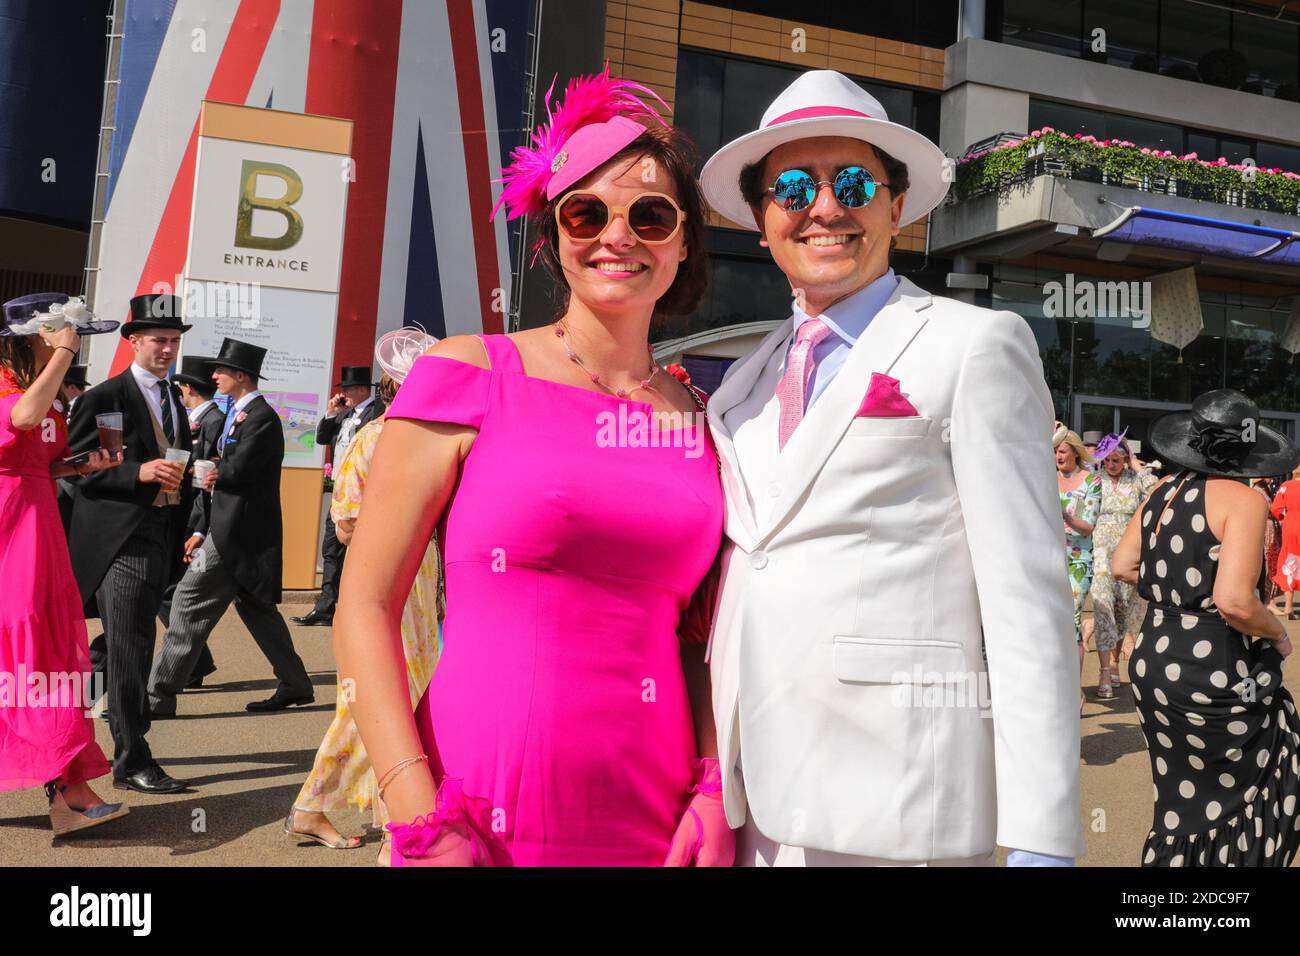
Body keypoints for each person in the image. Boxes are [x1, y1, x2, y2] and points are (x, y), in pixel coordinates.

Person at [336, 69, 731, 866]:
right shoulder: (467, 373)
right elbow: (365, 607)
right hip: (474, 807)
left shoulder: (704, 419)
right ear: (554, 235)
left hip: (656, 816)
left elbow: (702, 639)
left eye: (650, 215)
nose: (617, 237)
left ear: (682, 241)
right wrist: (415, 810)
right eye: (587, 212)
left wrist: (720, 788)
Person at [696, 69, 1081, 866]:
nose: (825, 209)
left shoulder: (975, 345)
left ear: (897, 207)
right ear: (764, 220)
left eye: (855, 184)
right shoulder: (742, 385)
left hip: (908, 804)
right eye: (794, 187)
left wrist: (1043, 833)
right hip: (759, 804)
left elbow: (1026, 597)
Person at [1112, 388, 1300, 866]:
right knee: (1275, 760)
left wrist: (1174, 592)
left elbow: (1123, 564)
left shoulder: (1162, 490)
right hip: (1212, 664)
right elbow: (1235, 600)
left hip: (1156, 661)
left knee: (1180, 796)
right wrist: (1278, 635)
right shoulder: (1243, 499)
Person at [287, 335, 439, 857]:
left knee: (406, 693)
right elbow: (345, 520)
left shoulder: (421, 436)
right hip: (381, 582)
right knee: (380, 696)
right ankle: (385, 820)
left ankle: (380, 811)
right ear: (399, 383)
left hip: (416, 582)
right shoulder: (378, 435)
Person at [0, 292, 128, 835]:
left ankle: (70, 785)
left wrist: (82, 466)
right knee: (27, 648)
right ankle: (68, 786)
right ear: (38, 335)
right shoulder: (16, 389)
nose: (76, 348)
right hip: (11, 527)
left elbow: (40, 461)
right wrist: (61, 356)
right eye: (65, 335)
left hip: (39, 523)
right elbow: (22, 419)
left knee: (50, 649)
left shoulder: (46, 392)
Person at [66, 292, 193, 795]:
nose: (167, 349)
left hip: (162, 533)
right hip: (122, 538)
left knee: (125, 643)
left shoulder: (174, 396)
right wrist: (136, 471)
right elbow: (77, 468)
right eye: (159, 340)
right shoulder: (103, 398)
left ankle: (87, 729)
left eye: (174, 341)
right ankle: (131, 756)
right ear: (134, 341)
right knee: (132, 647)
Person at [148, 338, 314, 715]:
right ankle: (296, 683)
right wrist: (199, 525)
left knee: (188, 601)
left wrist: (212, 472)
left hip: (235, 534)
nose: (215, 376)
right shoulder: (241, 413)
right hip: (231, 531)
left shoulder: (261, 417)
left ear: (241, 375)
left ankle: (157, 696)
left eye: (221, 371)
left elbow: (242, 470)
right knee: (257, 609)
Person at [292, 367, 385, 627]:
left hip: (364, 493)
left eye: (348, 388)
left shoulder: (375, 411)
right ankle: (325, 608)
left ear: (363, 390)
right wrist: (331, 413)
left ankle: (356, 608)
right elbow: (322, 438)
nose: (343, 393)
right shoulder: (344, 415)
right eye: (343, 388)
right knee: (330, 549)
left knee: (359, 551)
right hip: (341, 493)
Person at [156, 354, 224, 685]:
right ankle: (196, 663)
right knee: (173, 593)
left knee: (173, 593)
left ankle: (192, 663)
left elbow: (204, 484)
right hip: (181, 513)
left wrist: (198, 527)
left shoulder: (212, 422)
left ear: (187, 388)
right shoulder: (196, 420)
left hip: (195, 520)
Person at [1088, 432, 1158, 699]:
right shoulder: (1096, 480)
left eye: (1117, 459)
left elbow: (1155, 491)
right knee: (1103, 605)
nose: (1111, 465)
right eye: (1107, 460)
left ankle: (1115, 662)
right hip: (1101, 553)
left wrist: (1138, 467)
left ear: (1126, 459)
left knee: (1122, 609)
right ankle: (1105, 670)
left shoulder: (1135, 480)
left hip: (1129, 552)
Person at [1056, 427, 1101, 709]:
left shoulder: (1092, 481)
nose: (1057, 456)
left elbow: (1088, 527)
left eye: (1061, 451)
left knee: (1071, 622)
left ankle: (1075, 691)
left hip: (1077, 560)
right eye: (1054, 452)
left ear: (1074, 451)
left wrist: (1066, 518)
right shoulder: (1045, 479)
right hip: (1046, 555)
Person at [1269, 467, 1300, 619]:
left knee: (1289, 562)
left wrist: (1282, 520)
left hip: (1290, 524)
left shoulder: (1285, 486)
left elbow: (1276, 509)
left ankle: (1288, 607)